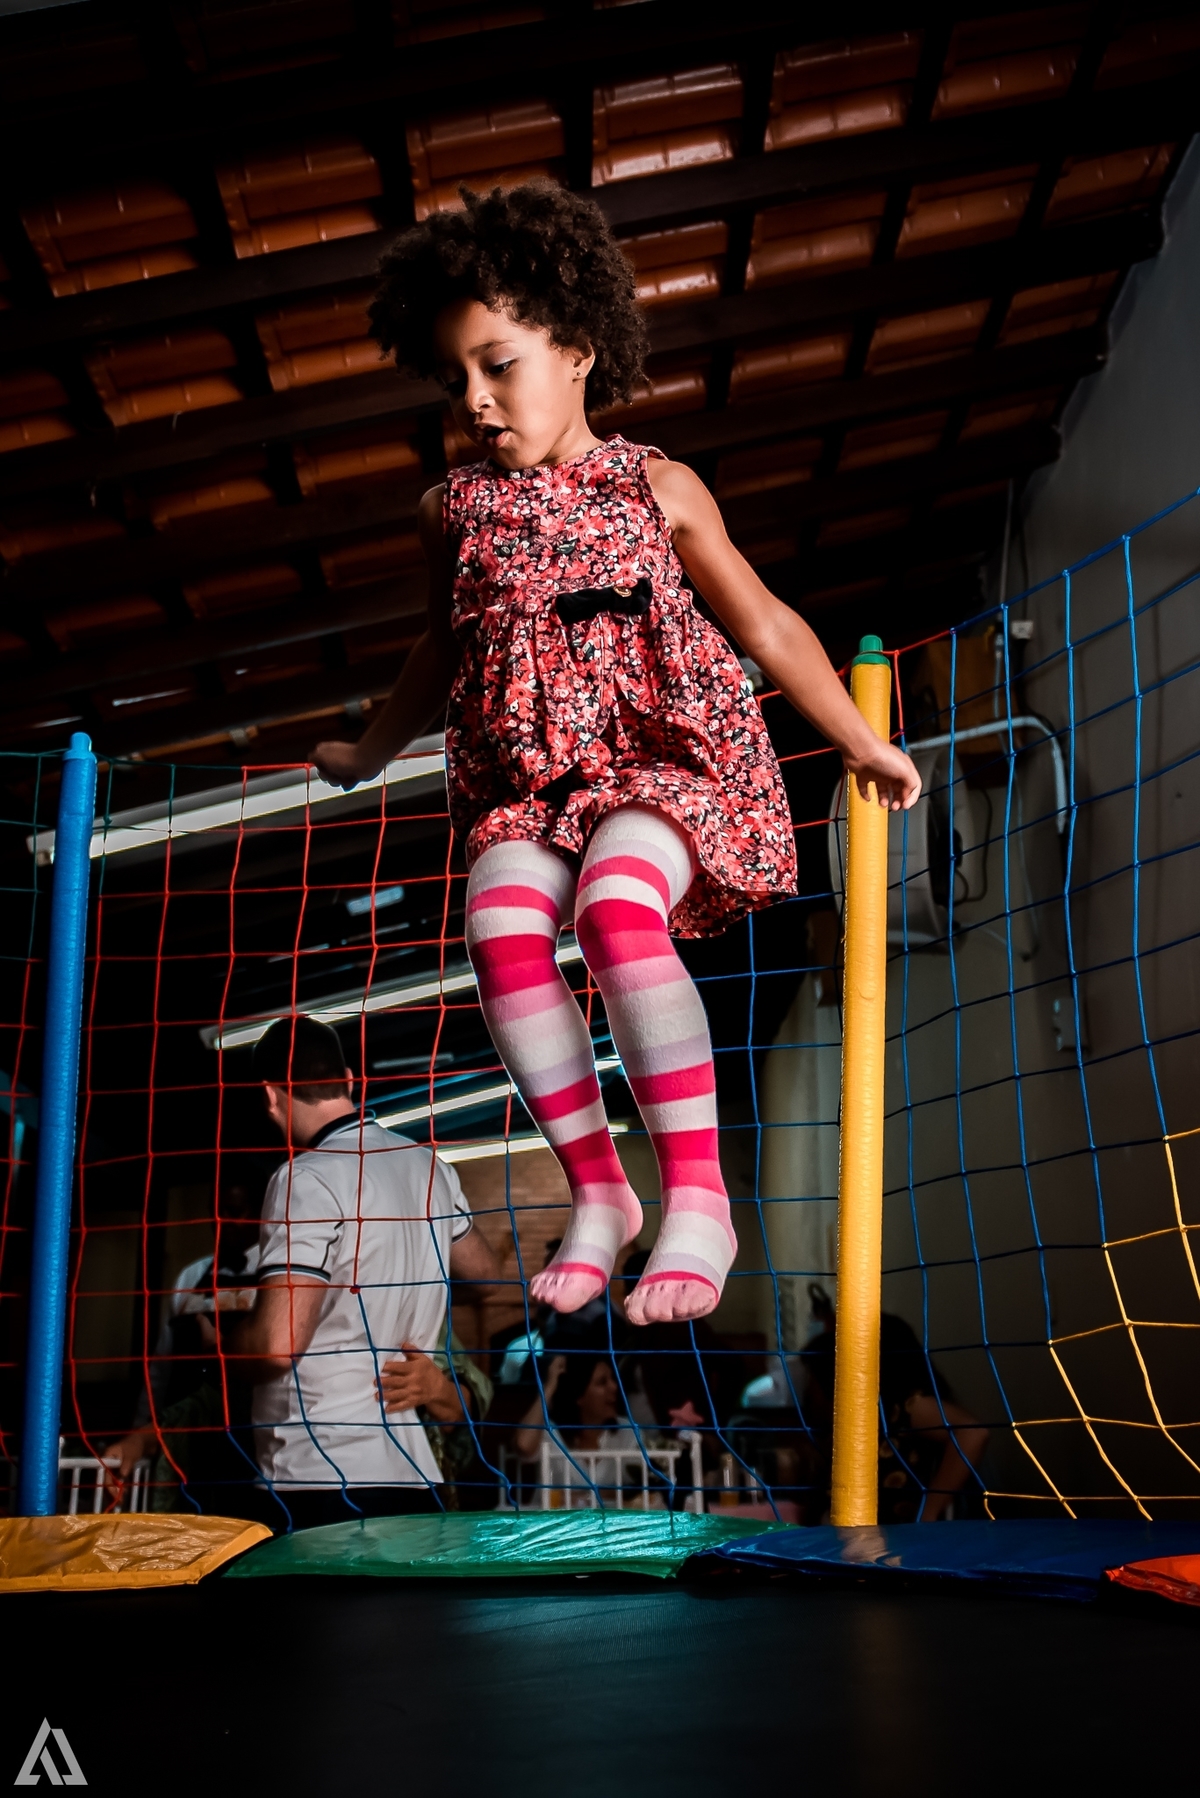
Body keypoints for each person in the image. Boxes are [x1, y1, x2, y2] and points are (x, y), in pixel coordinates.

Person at [313, 182, 920, 1331]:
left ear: (580, 349)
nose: (478, 401)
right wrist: (363, 749)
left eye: (500, 365)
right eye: (456, 383)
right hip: (529, 784)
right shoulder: (454, 512)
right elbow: (437, 655)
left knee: (614, 913)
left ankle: (699, 1193)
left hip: (658, 763)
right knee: (498, 932)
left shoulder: (657, 485)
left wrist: (861, 742)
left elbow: (769, 626)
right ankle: (602, 1192)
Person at [218, 1014, 499, 1529]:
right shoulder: (429, 1167)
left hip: (316, 1473)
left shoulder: (305, 1178)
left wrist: (227, 1342)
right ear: (348, 1079)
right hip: (413, 1472)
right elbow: (488, 1276)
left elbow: (276, 1345)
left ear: (269, 1094)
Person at [513, 1350, 641, 1503]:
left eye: (612, 1379)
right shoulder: (551, 1432)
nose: (614, 1387)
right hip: (553, 1524)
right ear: (579, 1396)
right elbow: (523, 1445)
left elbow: (639, 1489)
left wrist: (583, 1498)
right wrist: (549, 1387)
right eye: (602, 1382)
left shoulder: (626, 1431)